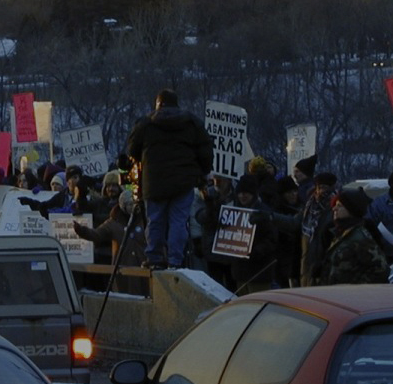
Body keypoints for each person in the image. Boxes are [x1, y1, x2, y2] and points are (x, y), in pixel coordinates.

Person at [125, 88, 213, 270]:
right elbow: (205, 152)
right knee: (179, 222)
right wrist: (202, 172)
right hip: (183, 182)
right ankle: (175, 260)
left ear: (158, 104)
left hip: (154, 182)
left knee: (155, 220)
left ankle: (154, 258)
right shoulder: (192, 123)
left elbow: (132, 150)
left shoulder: (146, 123)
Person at [318, 187, 390, 285]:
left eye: (340, 206)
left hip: (348, 296)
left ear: (351, 210)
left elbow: (381, 271)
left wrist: (355, 288)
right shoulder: (340, 233)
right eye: (335, 205)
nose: (334, 208)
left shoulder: (360, 238)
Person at [226, 174, 278, 294]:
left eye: (246, 193)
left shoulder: (264, 212)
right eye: (240, 193)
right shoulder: (234, 212)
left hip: (260, 272)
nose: (242, 196)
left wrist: (256, 251)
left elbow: (272, 239)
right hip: (240, 272)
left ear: (253, 194)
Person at [73, 190, 146, 266]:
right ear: (123, 206)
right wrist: (81, 230)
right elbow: (96, 234)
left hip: (142, 269)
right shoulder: (114, 222)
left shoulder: (145, 220)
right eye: (130, 204)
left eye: (136, 204)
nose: (134, 207)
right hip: (122, 270)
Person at [298, 171, 337, 286]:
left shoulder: (334, 208)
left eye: (324, 187)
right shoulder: (310, 205)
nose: (321, 191)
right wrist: (271, 217)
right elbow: (294, 222)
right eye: (318, 187)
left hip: (323, 263)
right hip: (307, 261)